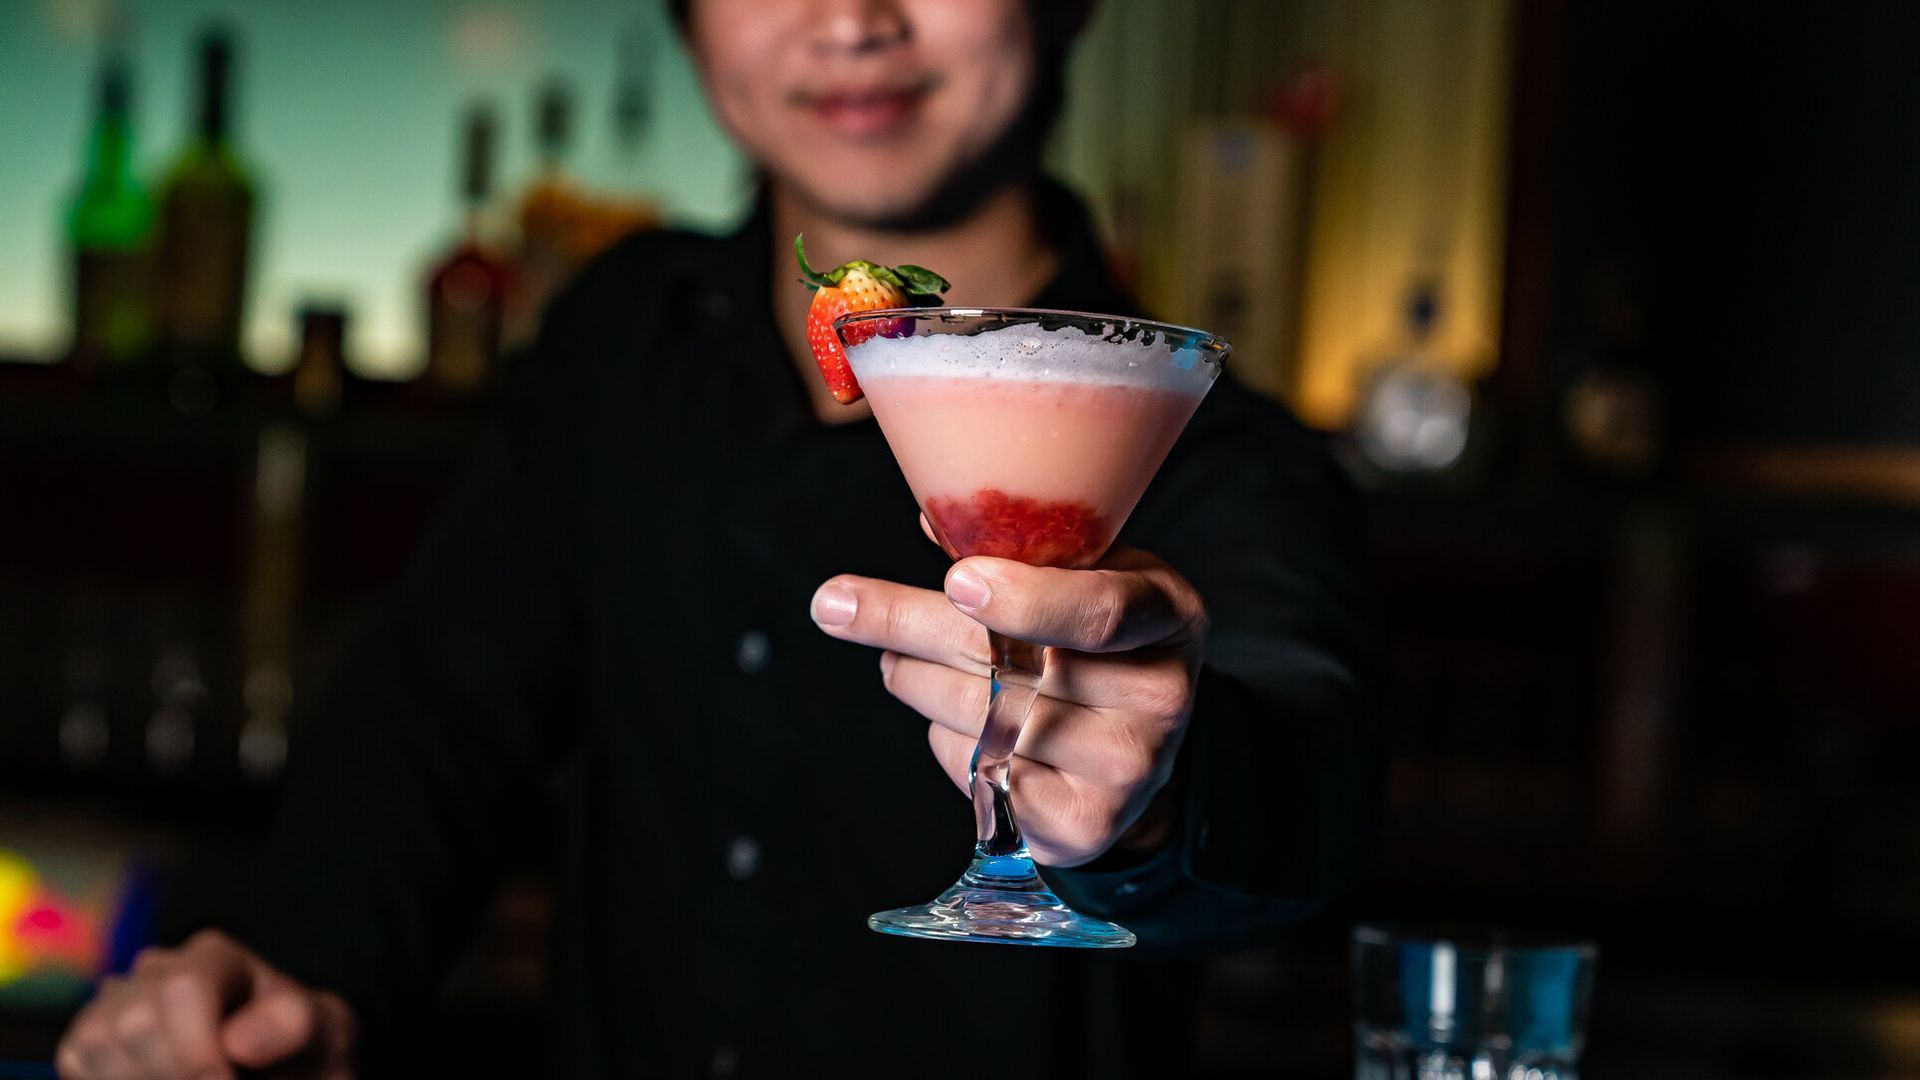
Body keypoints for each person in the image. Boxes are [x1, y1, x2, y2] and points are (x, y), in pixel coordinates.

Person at [55, 1, 1380, 1076]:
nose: (850, 21)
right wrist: (294, 977)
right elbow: (433, 721)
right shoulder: (621, 338)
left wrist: (1159, 794)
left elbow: (1306, 787)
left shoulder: (1220, 446)